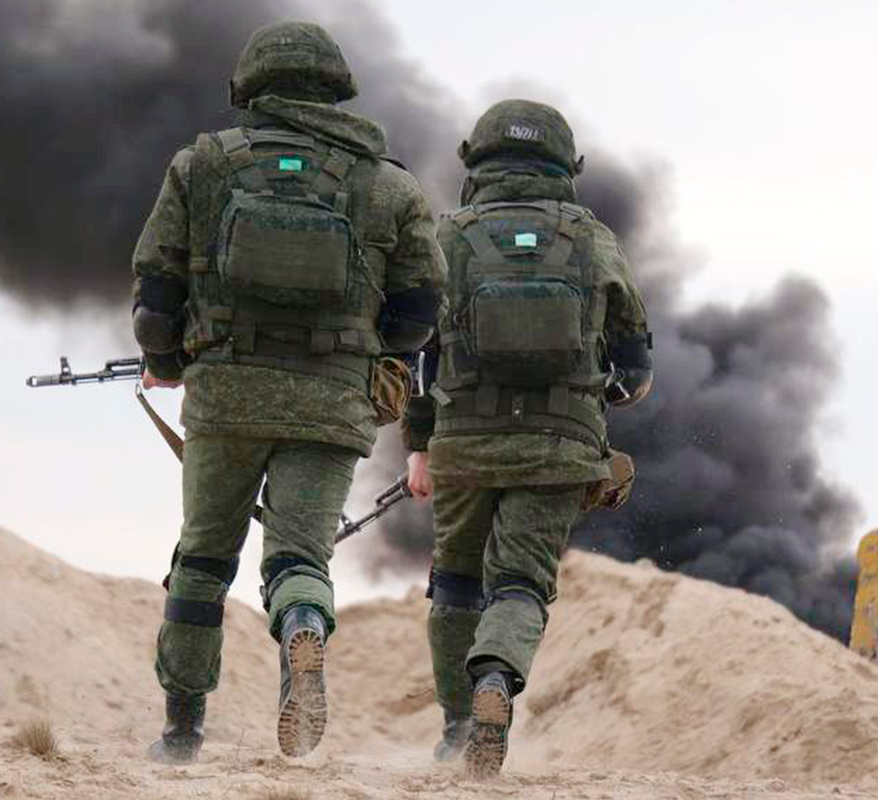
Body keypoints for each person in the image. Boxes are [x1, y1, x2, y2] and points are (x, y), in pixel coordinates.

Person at [132, 21, 446, 763]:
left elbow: (157, 287)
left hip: (225, 399)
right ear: (337, 89)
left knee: (203, 558)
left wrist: (164, 360)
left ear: (250, 86)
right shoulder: (389, 185)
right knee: (300, 559)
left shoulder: (201, 165)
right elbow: (422, 309)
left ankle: (181, 732)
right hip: (332, 404)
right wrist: (367, 355)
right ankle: (303, 624)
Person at [403, 99, 651, 779]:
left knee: (455, 583)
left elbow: (416, 357)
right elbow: (635, 371)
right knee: (519, 583)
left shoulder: (447, 237)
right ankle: (495, 677)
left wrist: (419, 446)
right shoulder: (593, 238)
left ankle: (458, 728)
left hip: (462, 446)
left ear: (476, 162)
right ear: (566, 165)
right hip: (559, 449)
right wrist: (591, 401)